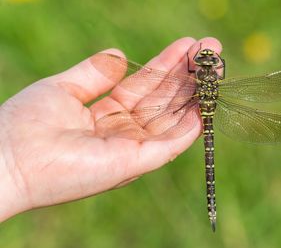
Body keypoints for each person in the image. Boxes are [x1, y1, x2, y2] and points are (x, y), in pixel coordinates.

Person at [0, 37, 222, 222]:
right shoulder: (208, 78)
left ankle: (211, 207)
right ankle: (212, 207)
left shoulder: (194, 74)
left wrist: (12, 163)